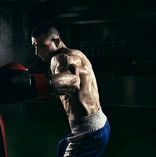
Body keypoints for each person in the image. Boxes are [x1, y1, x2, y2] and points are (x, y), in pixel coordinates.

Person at [31, 23, 110, 157]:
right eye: (35, 46)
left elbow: (73, 82)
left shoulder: (59, 58)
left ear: (56, 41)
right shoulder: (77, 53)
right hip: (101, 124)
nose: (37, 53)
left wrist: (30, 85)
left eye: (42, 46)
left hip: (86, 133)